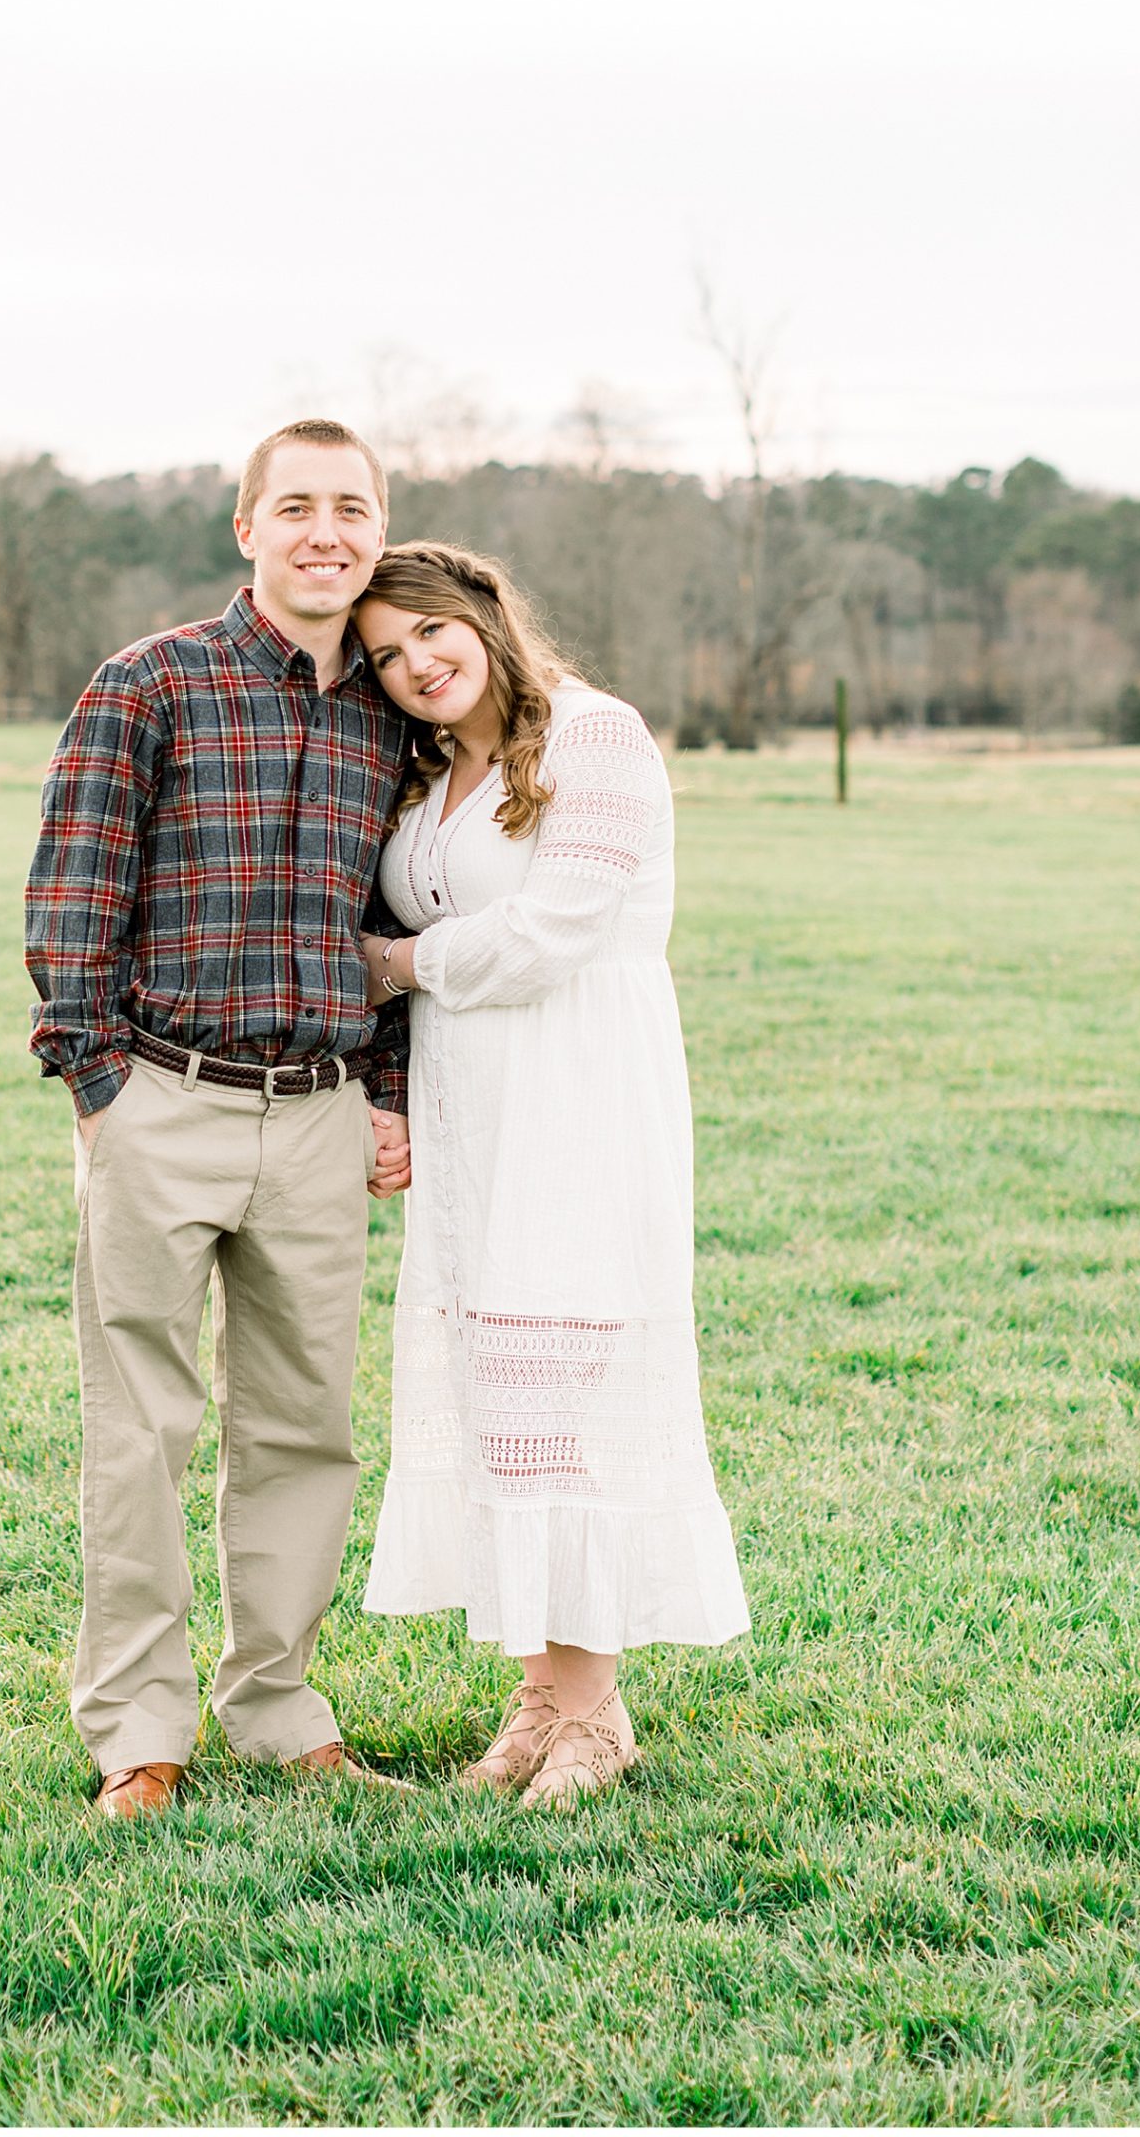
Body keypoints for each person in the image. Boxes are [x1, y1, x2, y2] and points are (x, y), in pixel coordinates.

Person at [24, 420, 414, 1819]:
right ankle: (139, 1730)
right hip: (162, 1099)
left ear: (379, 533)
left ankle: (278, 1704)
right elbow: (75, 884)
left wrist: (388, 1097)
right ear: (246, 527)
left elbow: (399, 919)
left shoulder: (394, 712)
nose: (326, 531)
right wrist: (94, 1087)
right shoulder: (153, 684)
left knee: (306, 1429)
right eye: (295, 506)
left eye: (351, 509)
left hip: (315, 1113)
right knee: (140, 1428)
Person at [352, 540, 749, 1806]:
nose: (415, 664)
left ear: (480, 614)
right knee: (496, 1399)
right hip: (475, 1110)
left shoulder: (597, 737)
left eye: (427, 631)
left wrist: (401, 965)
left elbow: (561, 927)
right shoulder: (429, 780)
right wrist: (396, 1092)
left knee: (563, 1395)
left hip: (580, 1095)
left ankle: (594, 1713)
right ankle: (543, 1696)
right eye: (384, 654)